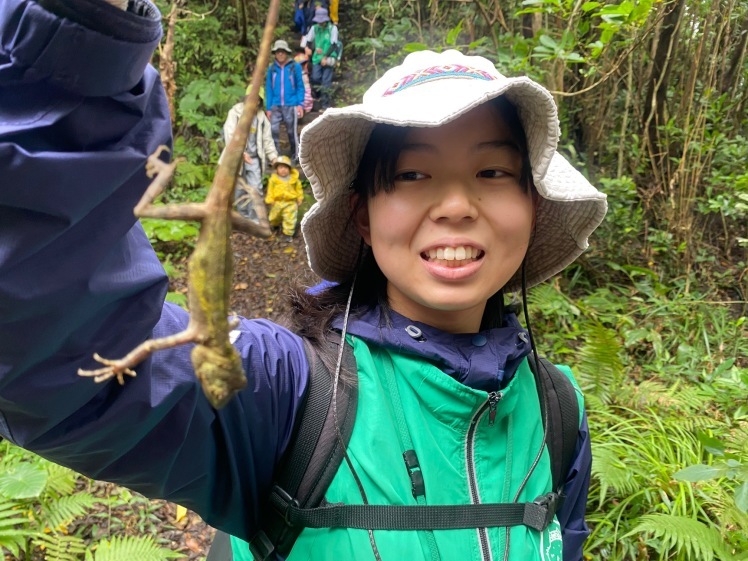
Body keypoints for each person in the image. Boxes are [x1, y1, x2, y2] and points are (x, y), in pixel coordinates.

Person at [0, 3, 609, 561]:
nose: (456, 204)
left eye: (493, 170)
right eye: (413, 172)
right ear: (362, 217)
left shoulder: (558, 412)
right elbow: (44, 340)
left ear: (534, 206)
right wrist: (76, 33)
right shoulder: (285, 393)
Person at [220, 85, 278, 220]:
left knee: (256, 188)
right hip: (237, 157)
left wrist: (274, 157)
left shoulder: (261, 117)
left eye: (258, 99)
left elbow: (267, 139)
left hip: (254, 158)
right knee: (239, 189)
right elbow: (230, 134)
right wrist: (240, 152)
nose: (254, 101)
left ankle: (254, 219)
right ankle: (243, 217)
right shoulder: (235, 112)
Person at [265, 39, 305, 161]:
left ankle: (296, 155)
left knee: (291, 131)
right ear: (275, 54)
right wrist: (268, 107)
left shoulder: (295, 67)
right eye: (278, 52)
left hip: (291, 104)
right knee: (273, 130)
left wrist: (300, 104)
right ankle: (275, 156)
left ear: (286, 53)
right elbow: (269, 89)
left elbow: (300, 86)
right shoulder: (272, 69)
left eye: (282, 52)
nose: (280, 54)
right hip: (275, 105)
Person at [300, 7, 339, 111]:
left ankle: (325, 105)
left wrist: (325, 57)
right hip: (317, 58)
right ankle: (317, 97)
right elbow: (309, 41)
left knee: (326, 82)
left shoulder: (332, 29)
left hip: (329, 57)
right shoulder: (314, 28)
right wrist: (311, 49)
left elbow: (334, 45)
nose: (320, 23)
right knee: (315, 78)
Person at [265, 156, 304, 241]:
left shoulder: (294, 179)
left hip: (290, 202)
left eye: (286, 167)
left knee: (290, 218)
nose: (283, 170)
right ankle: (275, 225)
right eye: (281, 167)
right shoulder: (274, 180)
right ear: (277, 169)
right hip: (277, 202)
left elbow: (299, 189)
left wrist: (299, 198)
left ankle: (288, 234)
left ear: (289, 169)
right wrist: (270, 199)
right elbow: (270, 190)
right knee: (274, 217)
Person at [294, 47, 315, 116]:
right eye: (301, 65)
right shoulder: (296, 75)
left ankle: (307, 111)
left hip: (307, 92)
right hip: (301, 94)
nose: (303, 66)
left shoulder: (306, 73)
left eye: (304, 64)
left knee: (308, 100)